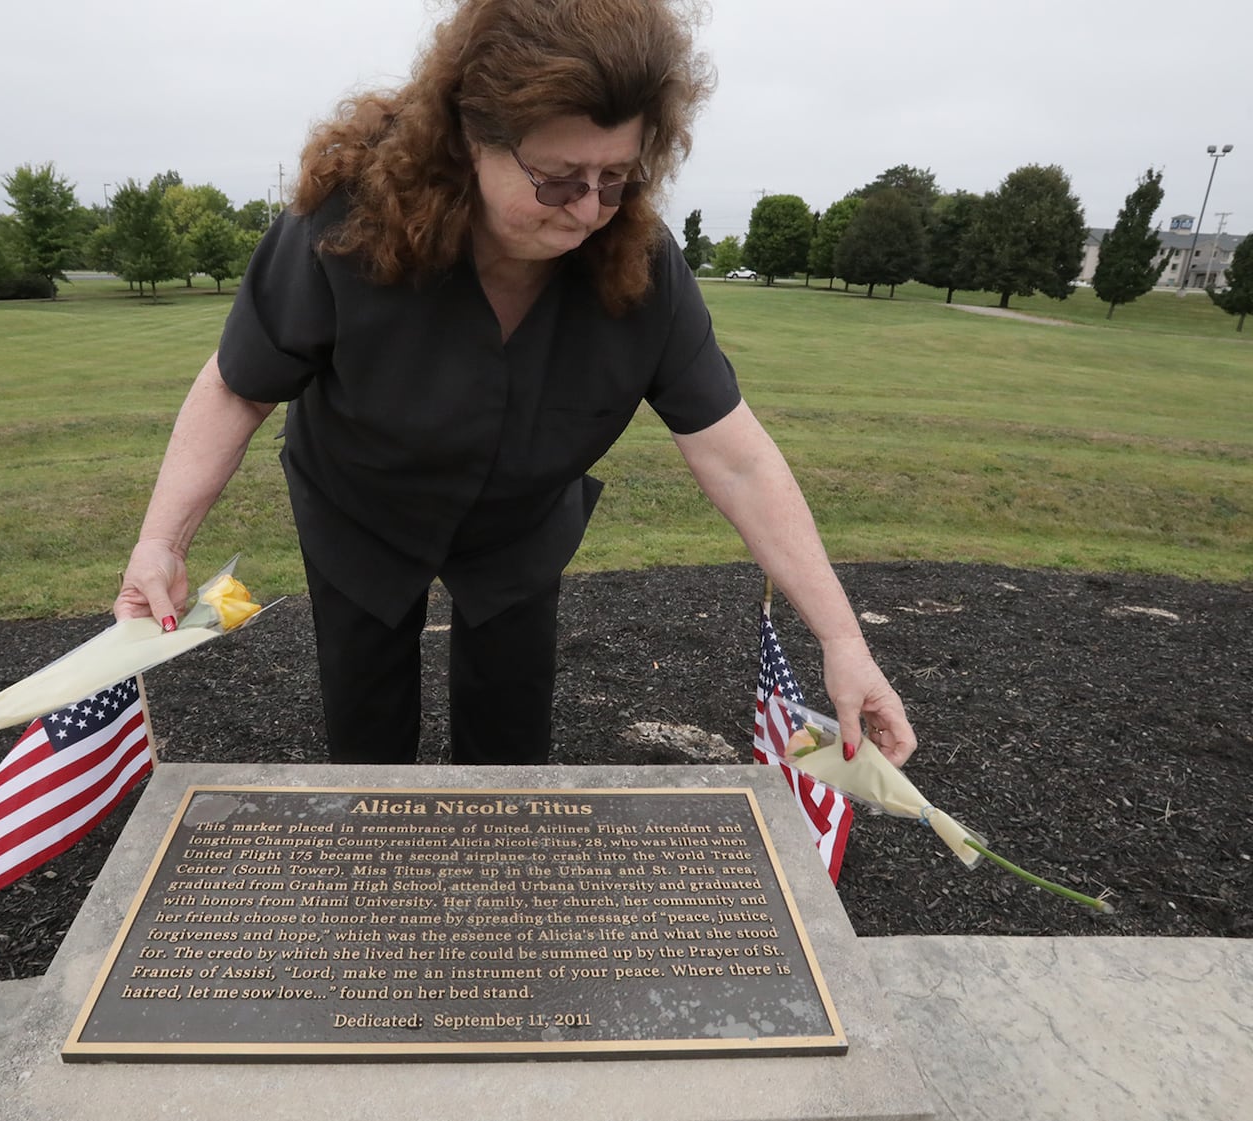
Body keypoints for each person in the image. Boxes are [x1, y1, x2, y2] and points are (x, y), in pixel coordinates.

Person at [116, 0, 916, 770]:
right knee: (366, 736)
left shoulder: (643, 263)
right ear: (470, 137)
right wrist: (161, 541)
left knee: (511, 736)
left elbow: (735, 454)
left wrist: (844, 641)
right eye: (559, 177)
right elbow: (239, 386)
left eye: (616, 177)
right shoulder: (343, 225)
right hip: (361, 506)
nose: (588, 211)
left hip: (520, 525)